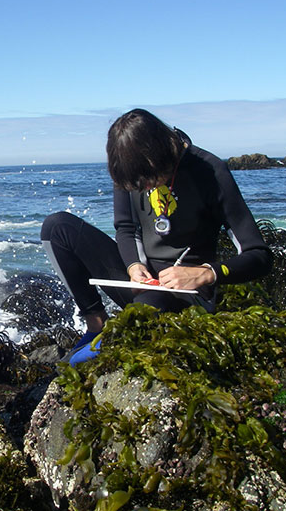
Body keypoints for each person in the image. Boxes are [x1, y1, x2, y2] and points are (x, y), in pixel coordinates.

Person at [41, 109, 273, 365]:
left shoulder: (210, 172)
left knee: (145, 309)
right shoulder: (132, 170)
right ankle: (96, 325)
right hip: (142, 283)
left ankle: (110, 342)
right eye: (133, 186)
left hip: (185, 295)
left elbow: (259, 256)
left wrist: (205, 273)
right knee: (56, 228)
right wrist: (133, 264)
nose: (143, 188)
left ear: (158, 157)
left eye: (145, 182)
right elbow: (126, 228)